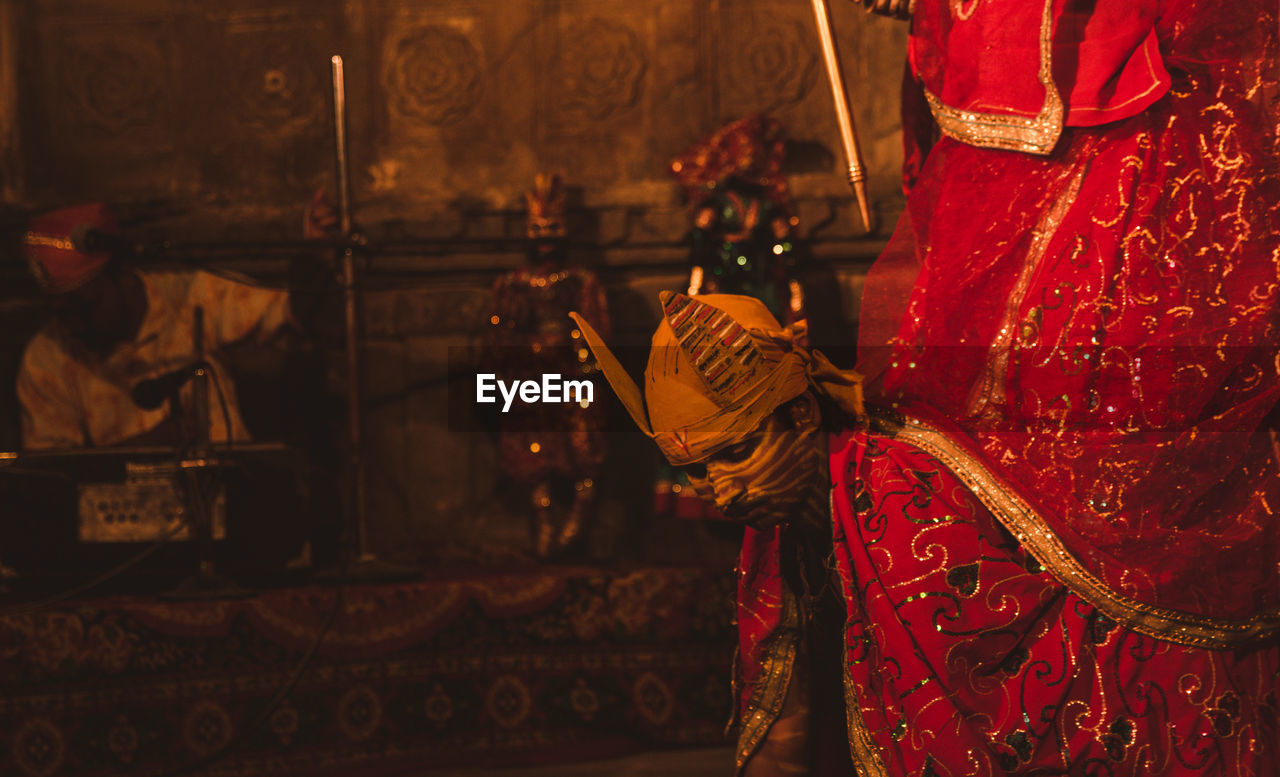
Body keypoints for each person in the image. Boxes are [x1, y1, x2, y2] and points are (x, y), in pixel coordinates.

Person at [573, 0, 1280, 772]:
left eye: (728, 457)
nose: (719, 487)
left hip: (1142, 121)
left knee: (1121, 464)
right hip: (1013, 162)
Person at [16, 203, 299, 450]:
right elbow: (54, 476)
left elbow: (291, 312)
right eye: (62, 315)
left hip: (234, 492)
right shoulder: (46, 360)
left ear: (122, 274)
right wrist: (152, 445)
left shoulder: (192, 296)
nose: (75, 325)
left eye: (86, 307)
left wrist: (316, 252)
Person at [486, 173, 610, 560]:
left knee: (583, 443)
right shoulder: (512, 282)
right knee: (530, 444)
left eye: (553, 226)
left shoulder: (582, 279)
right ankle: (542, 523)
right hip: (529, 372)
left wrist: (584, 362)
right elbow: (499, 333)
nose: (545, 234)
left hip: (572, 371)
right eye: (537, 227)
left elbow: (595, 329)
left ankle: (579, 520)